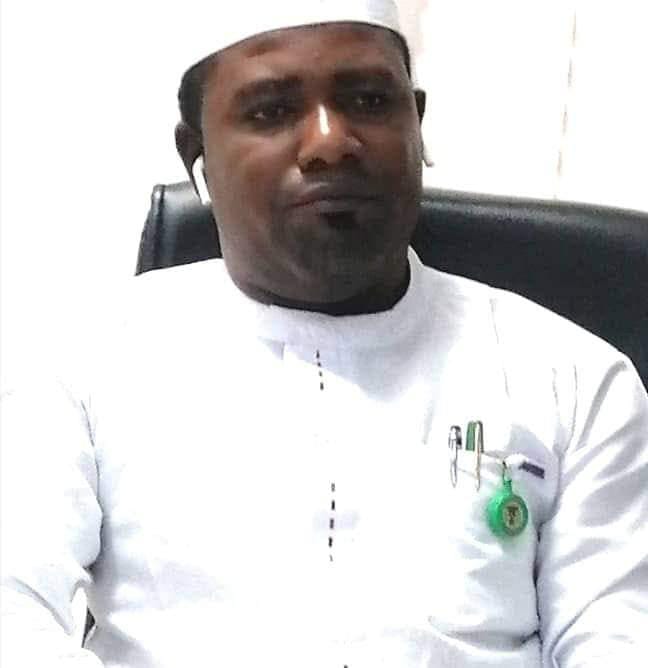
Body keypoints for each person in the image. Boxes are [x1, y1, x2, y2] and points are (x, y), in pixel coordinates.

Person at [1, 1, 647, 666]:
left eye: (369, 100)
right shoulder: (85, 359)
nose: (331, 142)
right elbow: (14, 615)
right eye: (271, 111)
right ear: (198, 154)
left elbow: (617, 640)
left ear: (416, 123)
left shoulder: (574, 380)